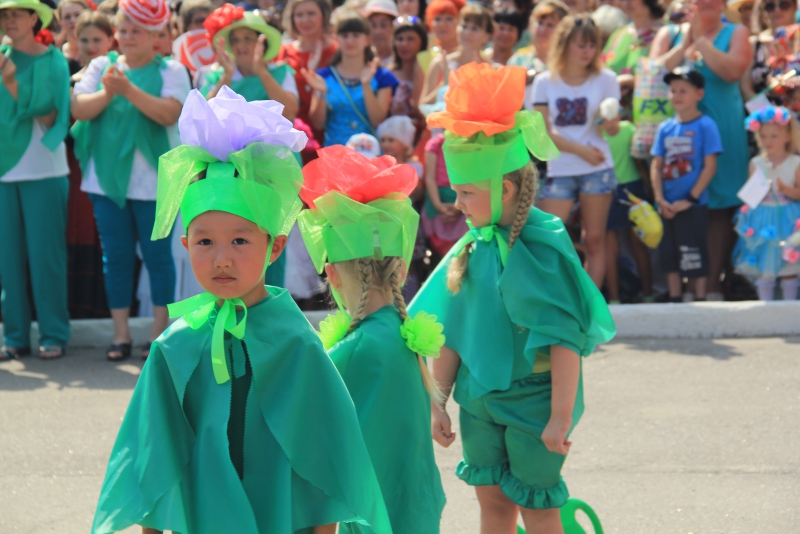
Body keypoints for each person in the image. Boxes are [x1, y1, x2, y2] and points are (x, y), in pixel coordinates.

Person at [91, 87, 393, 534]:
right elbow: (152, 463)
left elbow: (325, 462)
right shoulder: (174, 347)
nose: (222, 259)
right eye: (205, 241)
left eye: (240, 239)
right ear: (185, 246)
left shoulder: (296, 344)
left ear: (276, 245)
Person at [411, 62, 615, 534]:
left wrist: (560, 416)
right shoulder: (469, 248)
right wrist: (437, 402)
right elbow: (452, 332)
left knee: (539, 509)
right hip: (479, 400)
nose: (456, 204)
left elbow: (565, 339)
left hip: (534, 403)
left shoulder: (544, 251)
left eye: (465, 192)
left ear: (503, 189)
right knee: (493, 508)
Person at [296, 145, 446, 534]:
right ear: (398, 266)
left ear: (330, 271)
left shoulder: (352, 349)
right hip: (414, 509)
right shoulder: (405, 331)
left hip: (371, 515)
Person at [71, 0, 191, 360]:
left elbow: (170, 113)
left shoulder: (172, 70)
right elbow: (79, 109)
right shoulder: (100, 66)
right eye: (122, 30)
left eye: (135, 30)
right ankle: (120, 335)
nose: (127, 37)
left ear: (155, 35)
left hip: (156, 182)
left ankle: (159, 333)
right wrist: (109, 91)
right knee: (117, 256)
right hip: (106, 180)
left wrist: (128, 91)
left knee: (158, 257)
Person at [650, 0, 752, 301]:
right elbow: (661, 69)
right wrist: (686, 40)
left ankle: (710, 286)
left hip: (722, 128)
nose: (703, 4)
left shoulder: (737, 32)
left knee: (720, 205)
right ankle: (683, 287)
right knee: (686, 203)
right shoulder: (675, 33)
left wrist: (701, 41)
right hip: (681, 137)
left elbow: (732, 71)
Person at [0, 0, 71, 360]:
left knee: (47, 259)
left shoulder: (53, 60)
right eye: (4, 14)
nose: (9, 20)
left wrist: (11, 83)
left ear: (33, 18)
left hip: (44, 170)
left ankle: (53, 334)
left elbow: (54, 118)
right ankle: (14, 337)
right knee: (6, 260)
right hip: (2, 172)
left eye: (16, 13)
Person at [532, 13, 621, 288]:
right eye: (581, 44)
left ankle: (590, 305)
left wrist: (611, 123)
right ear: (565, 44)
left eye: (592, 45)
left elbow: (614, 130)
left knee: (594, 238)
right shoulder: (545, 81)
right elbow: (543, 131)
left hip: (598, 169)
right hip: (562, 169)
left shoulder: (606, 79)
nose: (587, 51)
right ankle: (558, 299)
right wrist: (581, 150)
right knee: (549, 240)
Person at [651, 68, 722, 303]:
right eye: (673, 91)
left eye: (683, 90)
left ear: (699, 94)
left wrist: (689, 199)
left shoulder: (707, 125)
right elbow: (656, 165)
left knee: (695, 252)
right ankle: (675, 297)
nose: (677, 95)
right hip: (668, 205)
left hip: (693, 205)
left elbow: (710, 167)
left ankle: (699, 297)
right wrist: (660, 199)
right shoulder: (665, 128)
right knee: (668, 254)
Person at [302, 12, 399, 147]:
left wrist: (366, 85)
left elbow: (377, 120)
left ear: (367, 39)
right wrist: (321, 92)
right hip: (334, 156)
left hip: (369, 156)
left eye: (356, 35)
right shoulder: (324, 76)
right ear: (337, 39)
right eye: (344, 35)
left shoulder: (381, 76)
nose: (350, 41)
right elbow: (318, 124)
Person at [734, 106, 800, 300]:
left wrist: (786, 190)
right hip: (762, 217)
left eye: (774, 136)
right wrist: (761, 190)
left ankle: (789, 306)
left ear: (787, 136)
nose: (768, 141)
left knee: (788, 263)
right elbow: (750, 196)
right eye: (764, 136)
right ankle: (766, 306)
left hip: (787, 217)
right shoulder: (756, 163)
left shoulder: (795, 162)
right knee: (765, 263)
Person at [199, 4, 298, 120]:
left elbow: (290, 113)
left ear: (262, 43)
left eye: (247, 38)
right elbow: (205, 114)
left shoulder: (282, 73)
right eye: (235, 40)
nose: (240, 45)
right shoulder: (219, 75)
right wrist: (227, 76)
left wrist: (262, 72)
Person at [276, 0, 337, 162]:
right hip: (293, 134)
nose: (305, 20)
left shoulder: (338, 51)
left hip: (332, 131)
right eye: (299, 15)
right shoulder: (284, 53)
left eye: (311, 14)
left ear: (323, 16)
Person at [604, 119, 654, 303]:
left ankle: (615, 299)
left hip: (607, 189)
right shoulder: (629, 129)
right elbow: (640, 164)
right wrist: (650, 191)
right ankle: (649, 295)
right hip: (633, 188)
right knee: (639, 246)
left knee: (610, 248)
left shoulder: (596, 133)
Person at [602, 0, 664, 121]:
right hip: (614, 124)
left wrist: (633, 82)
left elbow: (668, 78)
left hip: (649, 119)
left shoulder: (666, 33)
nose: (625, 3)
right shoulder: (618, 34)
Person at [421, 4, 494, 105]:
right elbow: (422, 106)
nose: (467, 32)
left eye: (475, 28)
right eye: (464, 26)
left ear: (487, 36)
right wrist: (444, 86)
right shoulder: (440, 64)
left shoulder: (493, 69)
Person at [741, 0, 797, 104]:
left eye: (783, 4)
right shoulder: (754, 44)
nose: (777, 10)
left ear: (795, 7)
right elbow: (745, 89)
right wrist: (770, 114)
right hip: (765, 116)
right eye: (770, 6)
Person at [509, 0, 568, 71]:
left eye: (550, 25)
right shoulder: (518, 60)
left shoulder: (567, 65)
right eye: (540, 23)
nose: (543, 30)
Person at [389, 14, 426, 122]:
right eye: (400, 39)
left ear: (422, 41)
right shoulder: (387, 73)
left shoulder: (430, 72)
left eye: (411, 39)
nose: (404, 44)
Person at [418, 0, 464, 75]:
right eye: (437, 19)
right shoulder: (422, 58)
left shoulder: (476, 55)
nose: (442, 24)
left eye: (449, 19)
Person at [56, 0, 90, 73]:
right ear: (61, 23)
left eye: (77, 15)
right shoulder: (57, 55)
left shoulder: (97, 50)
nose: (73, 20)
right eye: (67, 17)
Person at [363, 0, 398, 66]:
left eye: (383, 25)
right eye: (373, 25)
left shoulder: (404, 59)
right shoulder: (360, 58)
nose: (378, 31)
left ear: (393, 27)